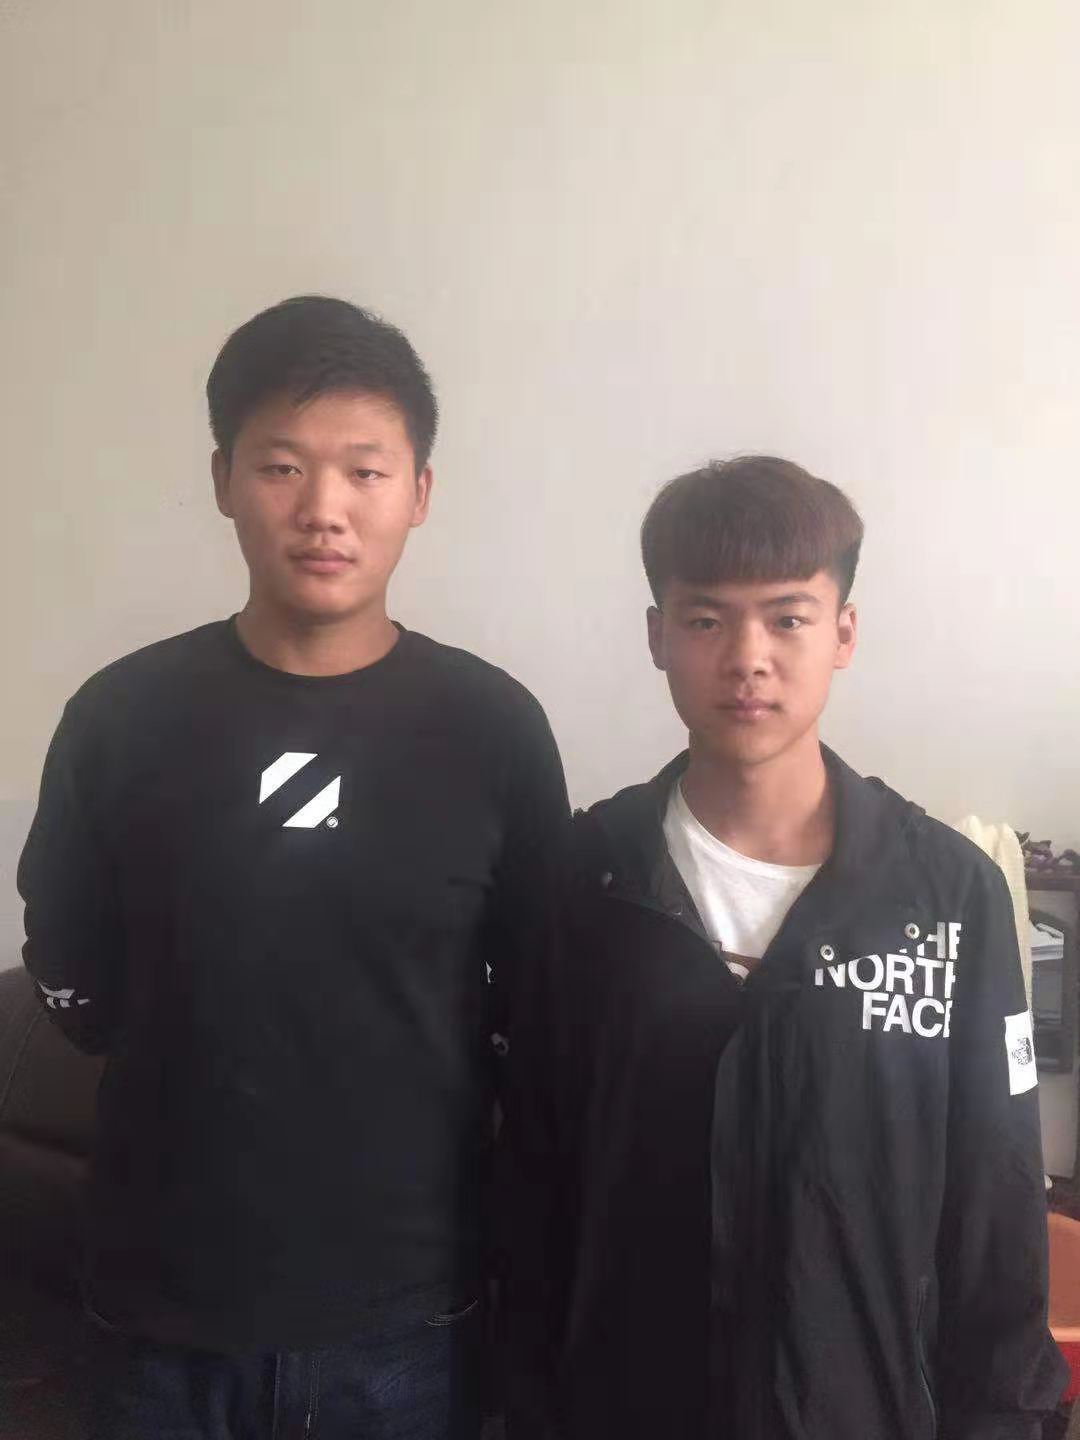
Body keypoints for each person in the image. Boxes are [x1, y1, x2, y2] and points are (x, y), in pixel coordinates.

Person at [19, 295, 567, 1439]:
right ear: (223, 478)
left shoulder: (492, 729)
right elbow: (68, 954)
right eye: (282, 466)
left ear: (419, 492)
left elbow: (535, 992)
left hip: (408, 1319)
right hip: (159, 1311)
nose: (324, 509)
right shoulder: (123, 717)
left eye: (365, 471)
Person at [503, 455, 1066, 1439]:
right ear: (657, 636)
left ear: (843, 632)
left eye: (788, 618)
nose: (747, 657)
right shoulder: (589, 878)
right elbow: (532, 1179)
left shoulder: (947, 895)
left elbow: (996, 1208)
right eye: (706, 620)